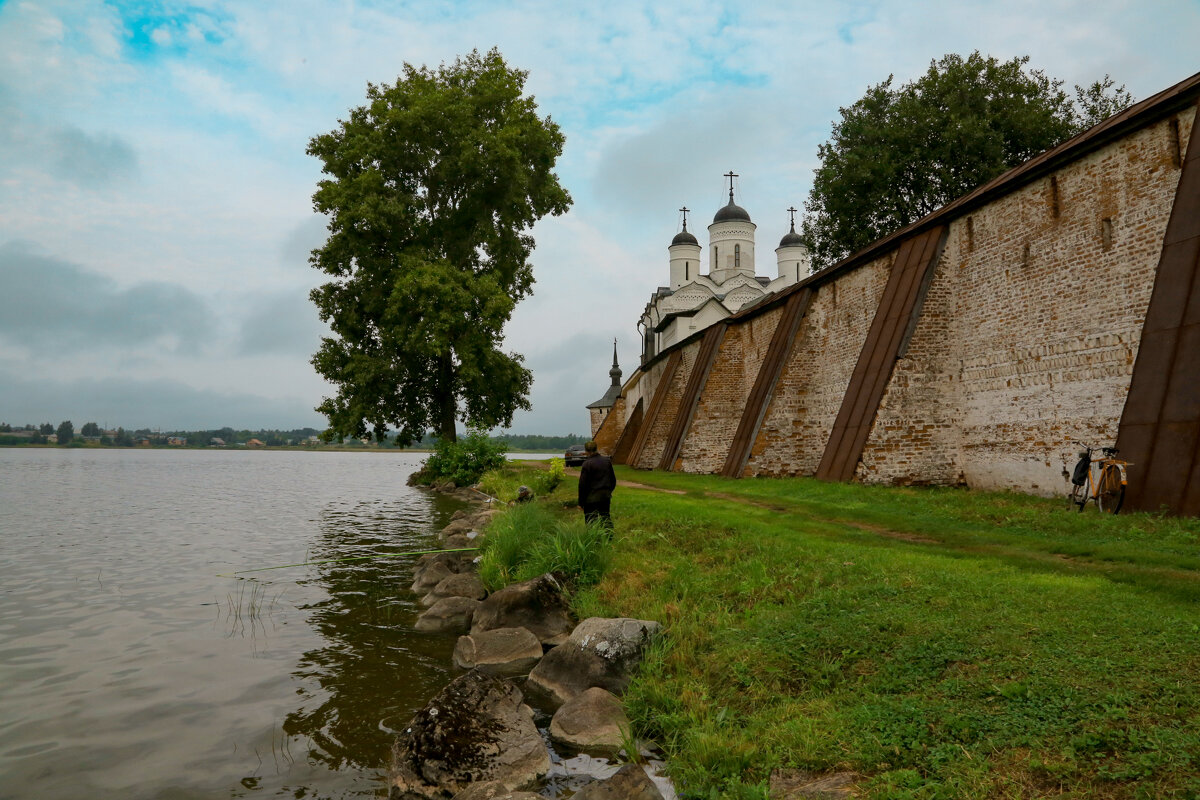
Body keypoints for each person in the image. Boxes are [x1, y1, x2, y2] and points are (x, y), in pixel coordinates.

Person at [577, 440, 616, 528]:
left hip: (591, 498)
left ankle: (594, 539)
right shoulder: (607, 461)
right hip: (605, 496)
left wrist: (580, 502)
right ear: (596, 449)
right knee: (605, 517)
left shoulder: (587, 464)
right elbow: (613, 480)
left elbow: (582, 485)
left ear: (586, 451)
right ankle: (609, 537)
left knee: (591, 521)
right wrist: (608, 491)